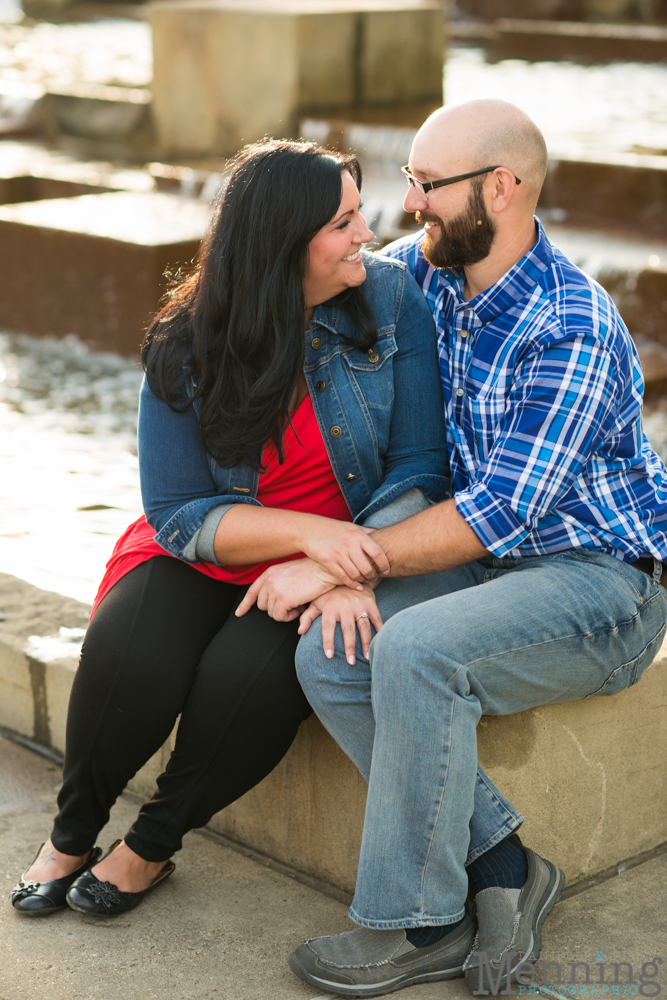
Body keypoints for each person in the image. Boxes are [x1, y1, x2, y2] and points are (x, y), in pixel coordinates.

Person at [234, 101, 667, 997]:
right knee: (331, 654)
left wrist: (337, 561)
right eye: (410, 181)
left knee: (416, 649)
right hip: (479, 567)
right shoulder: (423, 279)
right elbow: (311, 276)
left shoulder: (570, 325)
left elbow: (499, 512)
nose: (409, 205)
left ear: (499, 189)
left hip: (596, 585)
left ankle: (416, 922)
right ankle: (504, 864)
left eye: (427, 186)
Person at [9, 140, 449, 919]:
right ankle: (70, 835)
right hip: (215, 541)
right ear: (286, 242)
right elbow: (177, 512)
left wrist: (350, 566)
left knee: (246, 682)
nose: (367, 234)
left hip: (339, 554)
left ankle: (149, 847)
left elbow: (418, 466)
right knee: (130, 656)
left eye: (359, 215)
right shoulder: (186, 341)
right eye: (344, 222)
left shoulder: (387, 302)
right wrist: (310, 537)